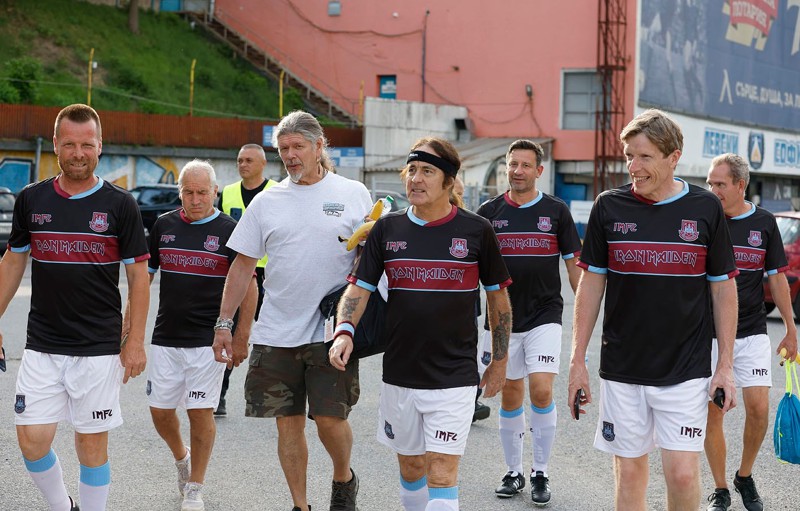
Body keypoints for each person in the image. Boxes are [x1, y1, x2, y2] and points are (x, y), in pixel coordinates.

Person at [567, 109, 739, 511]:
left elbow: (723, 289)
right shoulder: (609, 207)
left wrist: (725, 365)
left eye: (644, 157)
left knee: (681, 473)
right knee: (629, 474)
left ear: (673, 157)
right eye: (629, 156)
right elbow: (590, 285)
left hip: (685, 367)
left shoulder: (705, 208)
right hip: (623, 365)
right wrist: (577, 360)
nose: (633, 167)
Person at [329, 137, 513, 511]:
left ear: (449, 182)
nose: (416, 178)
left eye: (427, 171)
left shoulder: (476, 231)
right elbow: (358, 290)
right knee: (412, 468)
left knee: (442, 473)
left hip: (454, 376)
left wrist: (500, 361)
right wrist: (343, 331)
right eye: (411, 170)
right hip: (400, 373)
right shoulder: (385, 230)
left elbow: (498, 299)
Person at [212, 110, 371, 511]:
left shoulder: (353, 194)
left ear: (319, 146)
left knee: (331, 421)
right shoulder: (268, 201)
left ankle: (343, 477)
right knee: (288, 425)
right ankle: (300, 505)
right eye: (283, 149)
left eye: (298, 146)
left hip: (331, 331)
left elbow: (371, 259)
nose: (290, 155)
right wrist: (224, 324)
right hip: (277, 331)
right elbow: (242, 265)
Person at [0, 104, 150, 511]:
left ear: (100, 146)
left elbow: (139, 276)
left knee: (90, 444)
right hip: (42, 344)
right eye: (70, 144)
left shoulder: (121, 205)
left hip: (99, 348)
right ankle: (62, 506)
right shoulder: (32, 199)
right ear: (55, 146)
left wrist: (135, 341)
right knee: (31, 440)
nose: (78, 152)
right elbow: (14, 261)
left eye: (87, 144)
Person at [141, 160, 257, 510]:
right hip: (166, 336)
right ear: (181, 193)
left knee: (199, 412)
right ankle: (181, 457)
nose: (195, 199)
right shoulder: (163, 225)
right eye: (188, 192)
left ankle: (194, 487)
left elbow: (249, 286)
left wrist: (240, 336)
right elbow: (143, 277)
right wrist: (130, 322)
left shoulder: (229, 229)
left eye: (202, 192)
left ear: (215, 191)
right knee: (160, 411)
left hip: (208, 340)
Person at [476, 139, 581, 505]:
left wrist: (588, 314)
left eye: (525, 164)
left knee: (541, 389)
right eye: (512, 164)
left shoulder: (556, 212)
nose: (517, 170)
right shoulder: (487, 213)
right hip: (501, 320)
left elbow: (574, 267)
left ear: (539, 171)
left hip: (544, 316)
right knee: (510, 393)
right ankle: (514, 472)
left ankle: (540, 472)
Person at [704, 153, 798, 511]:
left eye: (720, 184)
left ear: (740, 185)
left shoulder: (764, 223)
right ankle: (720, 488)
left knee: (758, 408)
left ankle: (744, 476)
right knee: (715, 411)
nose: (713, 190)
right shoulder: (704, 219)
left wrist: (790, 329)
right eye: (710, 183)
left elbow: (777, 277)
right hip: (709, 335)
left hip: (753, 331)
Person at [214, 143, 277, 417]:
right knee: (229, 330)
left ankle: (274, 394)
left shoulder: (278, 192)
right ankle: (219, 396)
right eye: (239, 160)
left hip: (271, 273)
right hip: (239, 271)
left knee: (274, 336)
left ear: (263, 164)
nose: (243, 164)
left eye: (249, 160)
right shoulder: (227, 192)